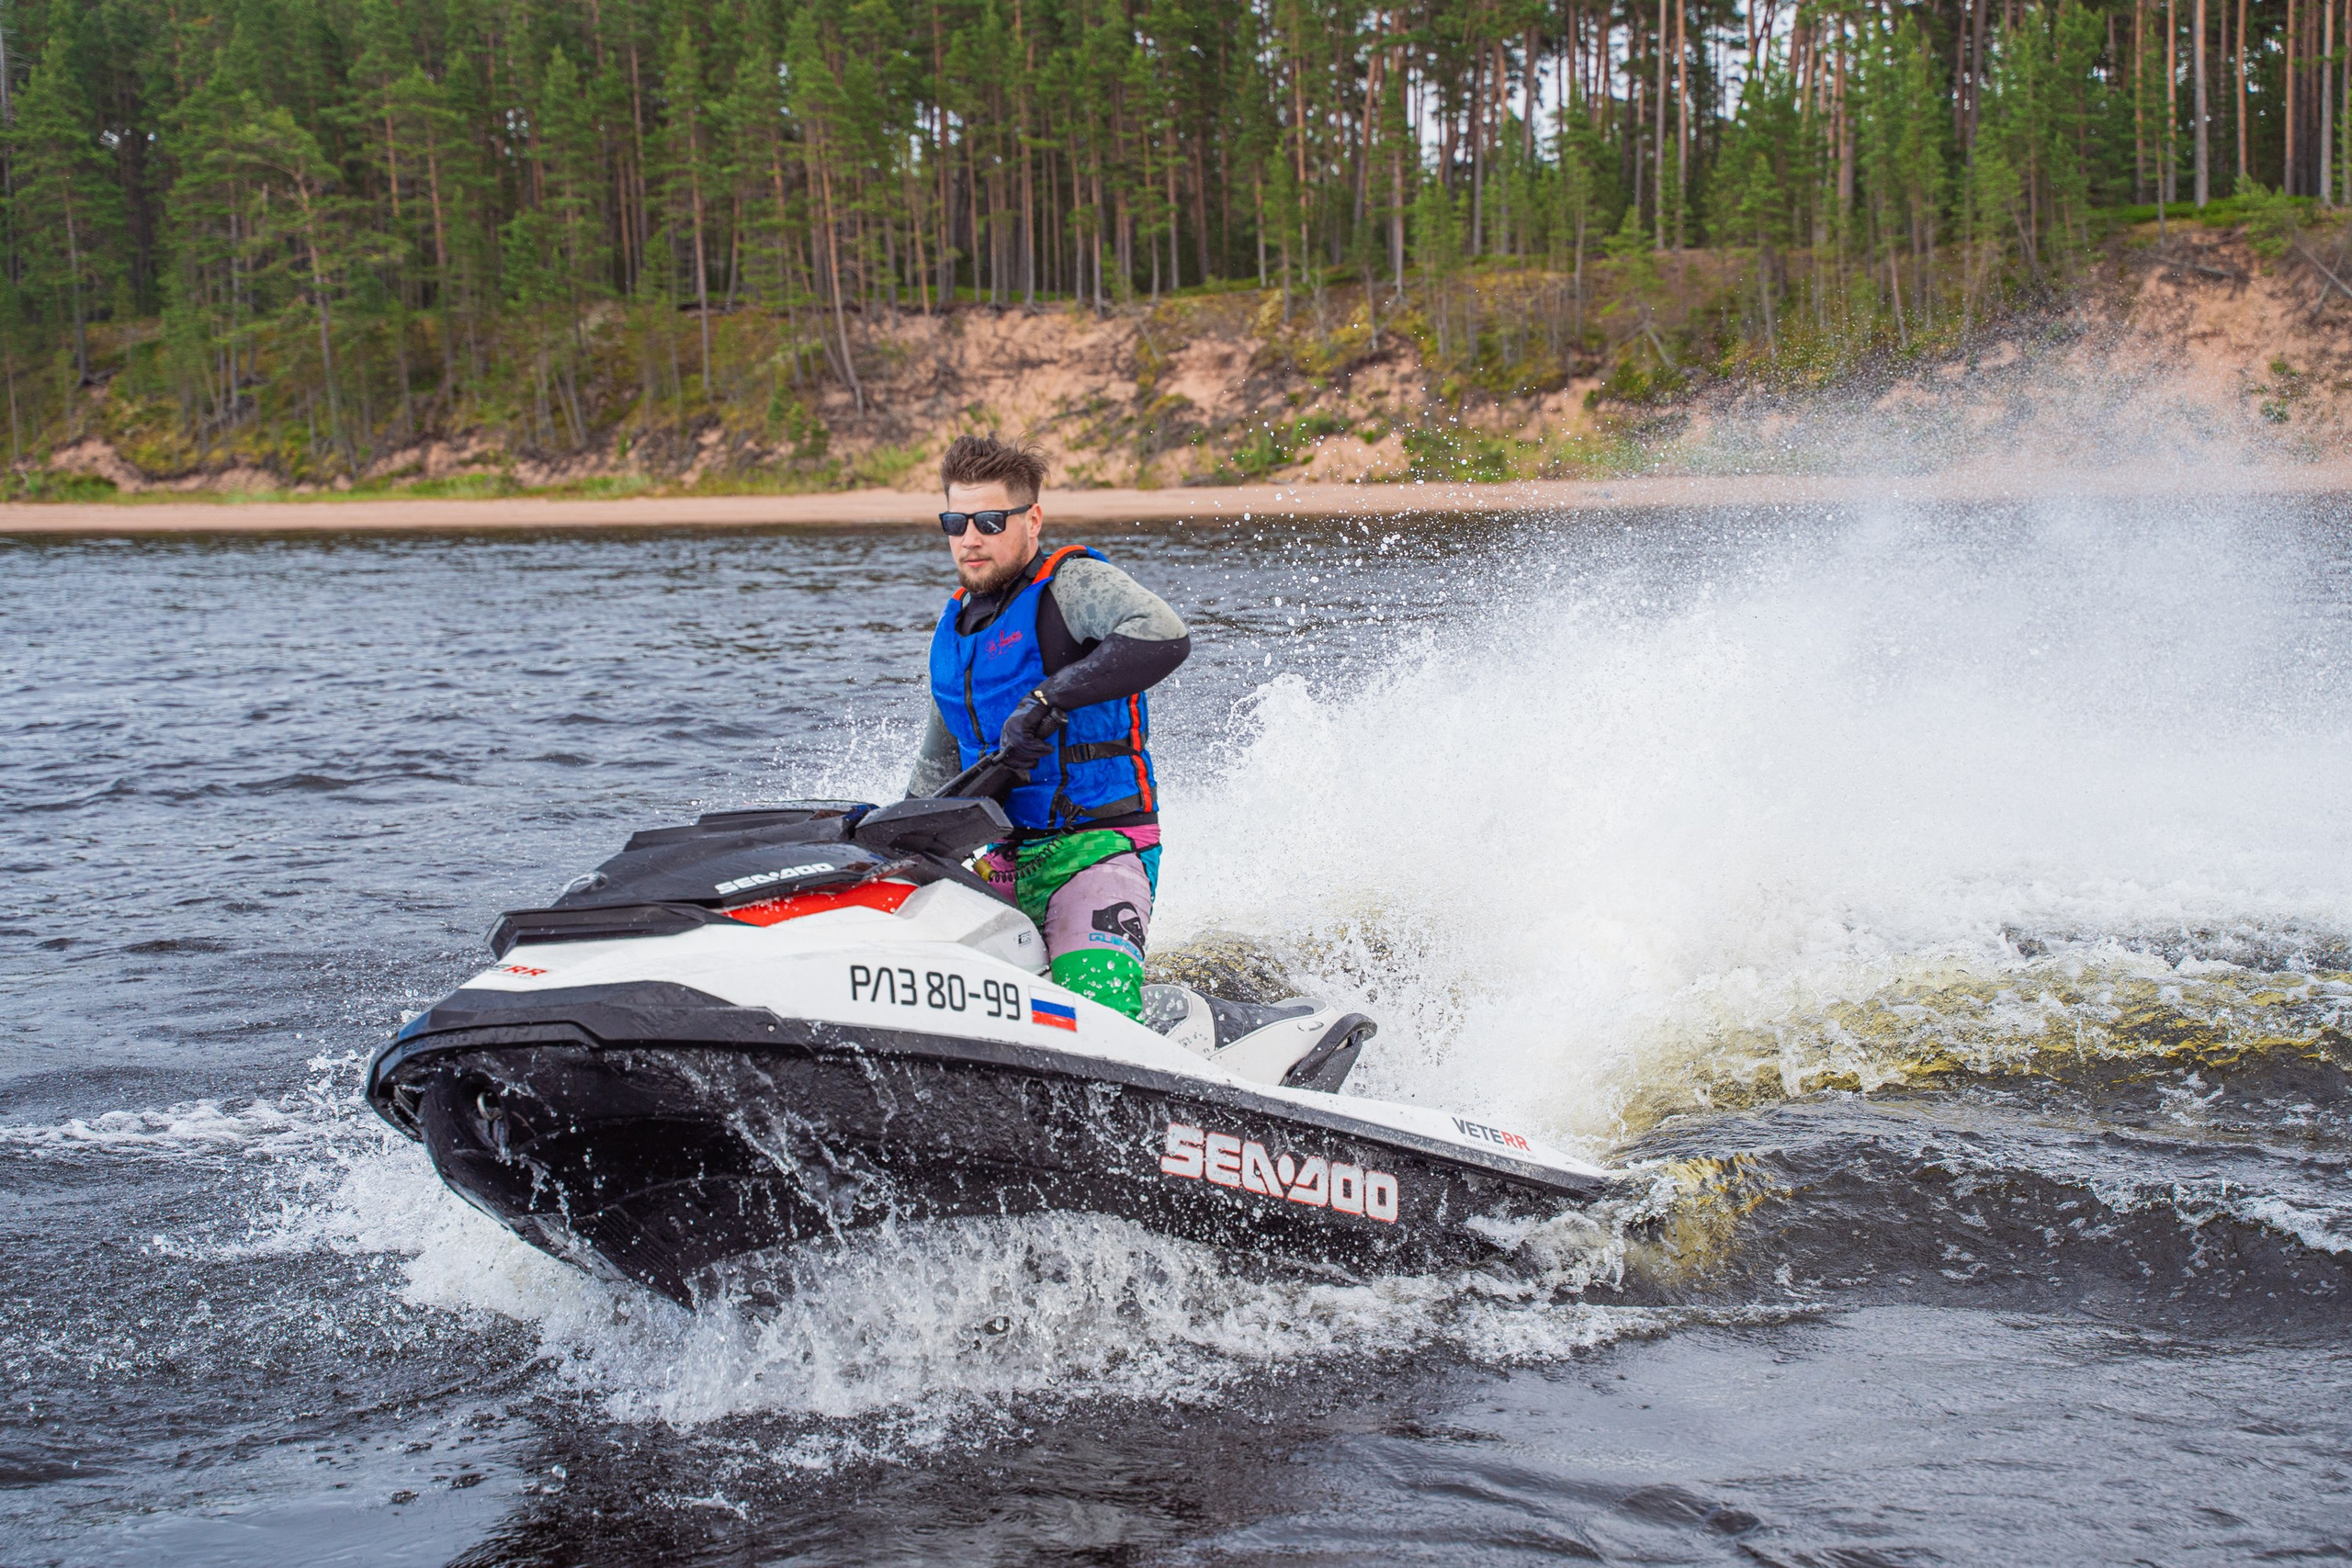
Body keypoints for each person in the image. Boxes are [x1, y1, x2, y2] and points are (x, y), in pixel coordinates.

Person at [907, 435, 1190, 1019]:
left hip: (1096, 852)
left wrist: (1046, 698)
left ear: (1031, 520)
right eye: (955, 522)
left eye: (990, 521)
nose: (970, 538)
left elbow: (1164, 633)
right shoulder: (952, 635)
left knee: (1096, 1014)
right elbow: (933, 779)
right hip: (1004, 863)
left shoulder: (1072, 586)